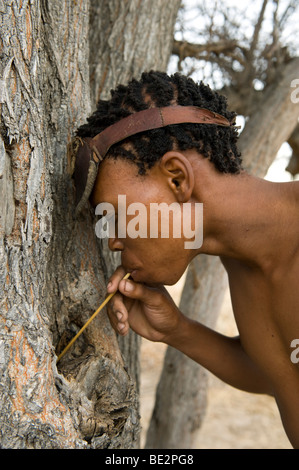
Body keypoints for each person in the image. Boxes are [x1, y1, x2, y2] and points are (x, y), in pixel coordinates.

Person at [75, 71, 299, 448]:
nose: (112, 241)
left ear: (177, 178)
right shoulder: (243, 265)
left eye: (115, 215)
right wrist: (176, 330)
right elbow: (281, 373)